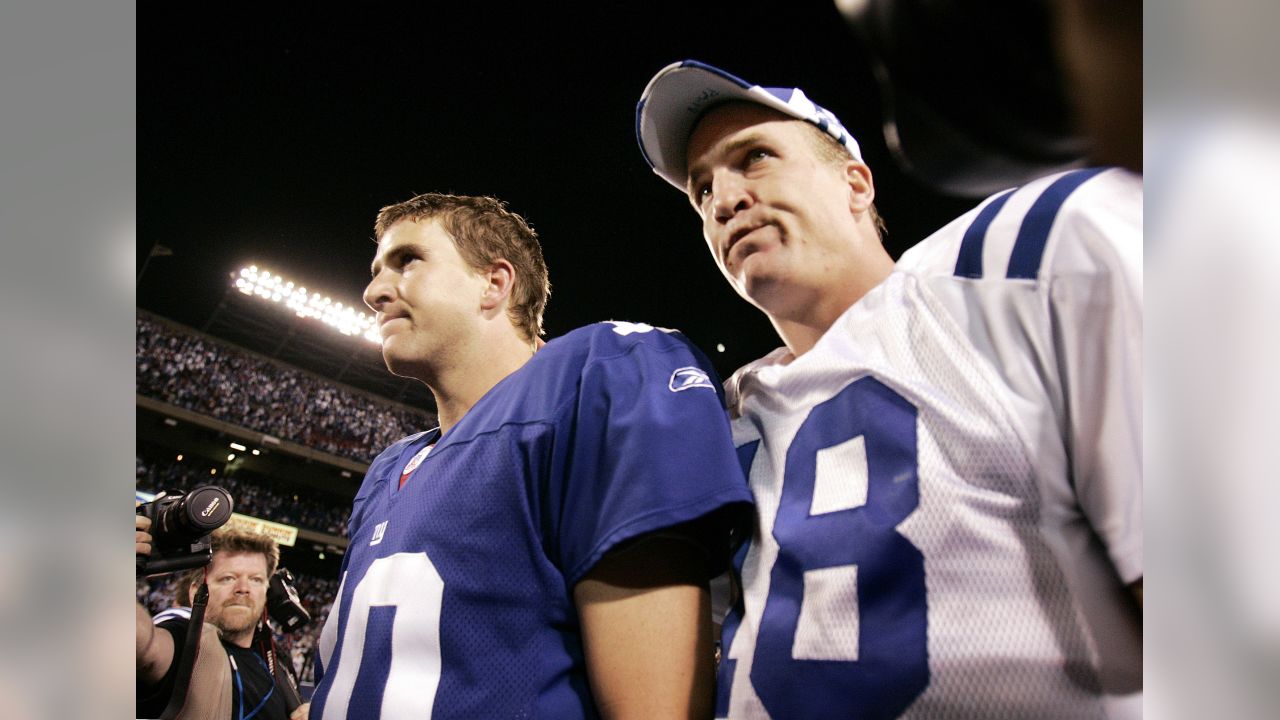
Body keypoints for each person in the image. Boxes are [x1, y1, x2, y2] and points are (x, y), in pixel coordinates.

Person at [635, 61, 1142, 718]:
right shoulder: (711, 414)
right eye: (702, 191)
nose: (725, 200)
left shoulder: (1004, 271)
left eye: (753, 158)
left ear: (856, 182)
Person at [308, 193, 752, 719]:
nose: (374, 291)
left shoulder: (597, 374)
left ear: (494, 284)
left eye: (408, 261)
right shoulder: (389, 468)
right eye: (378, 269)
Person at [136, 524, 307, 720]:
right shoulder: (191, 643)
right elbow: (146, 647)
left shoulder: (276, 659)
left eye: (256, 580)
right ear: (195, 592)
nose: (243, 588)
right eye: (228, 578)